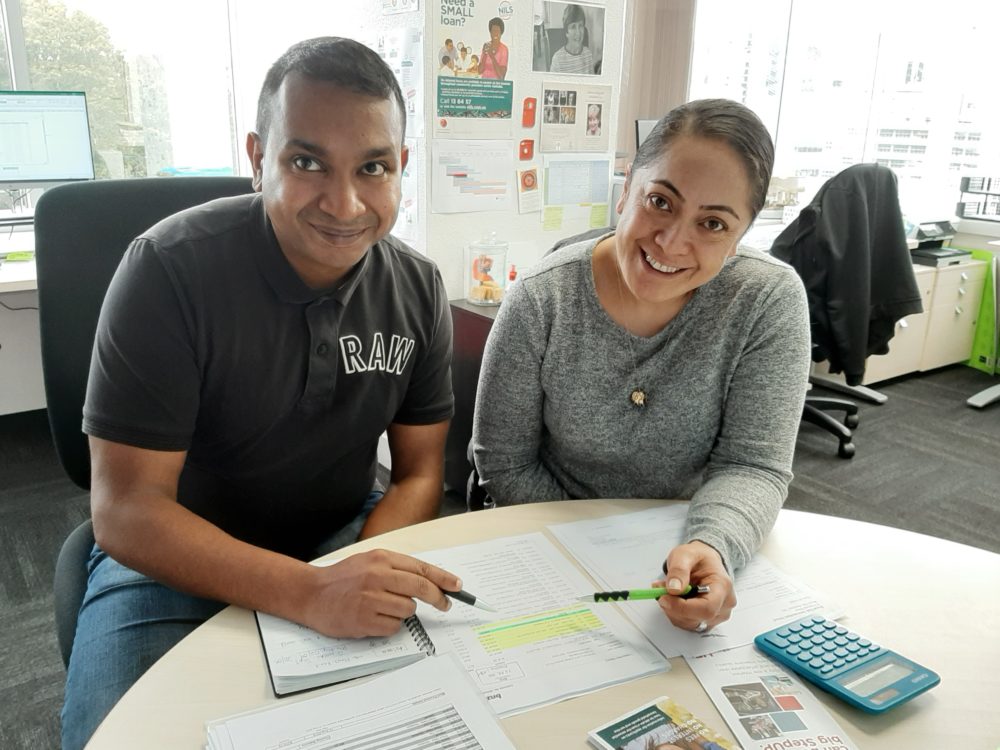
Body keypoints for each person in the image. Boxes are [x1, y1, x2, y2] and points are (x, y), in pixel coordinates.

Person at [61, 37, 462, 749]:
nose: (344, 203)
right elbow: (125, 510)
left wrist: (350, 573)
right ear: (257, 159)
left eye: (373, 167)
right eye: (306, 162)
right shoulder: (167, 271)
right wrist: (309, 594)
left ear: (404, 166)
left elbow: (422, 473)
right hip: (170, 563)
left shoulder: (418, 288)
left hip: (339, 535)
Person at [472, 99, 810, 636]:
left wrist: (711, 544)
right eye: (660, 201)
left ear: (741, 234)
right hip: (554, 539)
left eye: (714, 223)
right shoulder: (542, 298)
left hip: (687, 541)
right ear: (627, 188)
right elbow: (505, 464)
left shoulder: (766, 300)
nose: (673, 242)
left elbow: (753, 465)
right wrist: (601, 550)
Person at [549, 3, 595, 75]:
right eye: (573, 27)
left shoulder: (588, 54)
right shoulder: (557, 59)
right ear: (566, 32)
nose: (578, 32)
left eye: (580, 26)